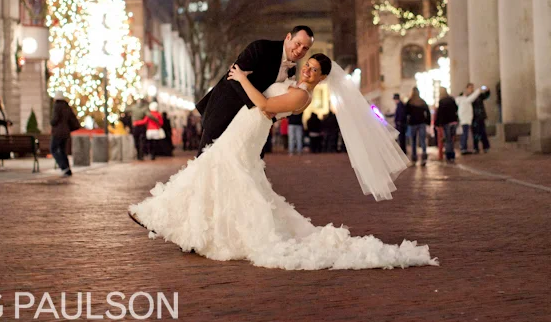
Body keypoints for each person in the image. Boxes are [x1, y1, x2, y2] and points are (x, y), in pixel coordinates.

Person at [129, 54, 436, 270]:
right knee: (212, 171)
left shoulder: (302, 97)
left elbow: (263, 103)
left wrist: (240, 79)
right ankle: (174, 220)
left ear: (324, 78)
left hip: (249, 133)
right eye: (308, 66)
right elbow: (276, 89)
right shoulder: (296, 85)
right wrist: (283, 72)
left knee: (220, 172)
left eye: (315, 71)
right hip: (243, 130)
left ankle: (161, 214)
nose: (308, 72)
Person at [195, 26, 313, 156]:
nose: (299, 50)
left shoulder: (291, 70)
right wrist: (260, 106)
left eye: (305, 48)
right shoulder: (261, 48)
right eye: (298, 44)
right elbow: (233, 77)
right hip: (225, 114)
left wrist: (271, 113)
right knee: (206, 162)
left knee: (250, 168)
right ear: (288, 37)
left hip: (253, 127)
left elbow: (277, 99)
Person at [50, 91, 80, 177]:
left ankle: (64, 167)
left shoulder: (57, 106)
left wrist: (51, 122)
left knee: (53, 149)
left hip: (57, 133)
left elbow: (55, 119)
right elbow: (73, 120)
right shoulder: (67, 106)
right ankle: (68, 169)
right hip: (66, 133)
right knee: (63, 151)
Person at [406, 88, 431, 166]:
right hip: (422, 123)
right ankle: (424, 157)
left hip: (413, 123)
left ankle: (414, 158)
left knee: (413, 141)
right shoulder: (422, 102)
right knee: (423, 141)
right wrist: (427, 122)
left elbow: (406, 113)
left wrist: (407, 122)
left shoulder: (410, 102)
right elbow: (428, 112)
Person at [456, 84, 482, 155]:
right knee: (465, 134)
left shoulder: (461, 102)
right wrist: (478, 90)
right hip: (466, 120)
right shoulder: (464, 101)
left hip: (464, 120)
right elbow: (472, 97)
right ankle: (463, 148)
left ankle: (463, 147)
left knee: (464, 134)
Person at [435, 87, 459, 163]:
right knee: (451, 139)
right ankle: (452, 154)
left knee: (448, 139)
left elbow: (439, 113)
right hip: (454, 121)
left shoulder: (441, 101)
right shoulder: (451, 99)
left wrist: (438, 123)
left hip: (446, 123)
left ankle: (449, 155)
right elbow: (456, 108)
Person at [471, 85, 492, 153]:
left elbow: (486, 95)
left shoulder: (478, 96)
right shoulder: (469, 97)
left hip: (480, 117)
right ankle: (476, 148)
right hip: (473, 118)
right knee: (475, 134)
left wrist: (487, 90)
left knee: (482, 132)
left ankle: (486, 147)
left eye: (472, 87)